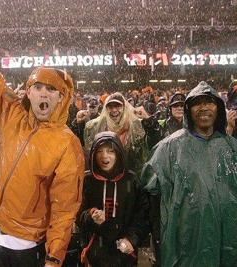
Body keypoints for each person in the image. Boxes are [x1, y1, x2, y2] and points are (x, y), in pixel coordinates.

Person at [0, 18, 85, 267]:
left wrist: (54, 256)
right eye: (38, 87)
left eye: (51, 89)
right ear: (29, 92)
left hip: (25, 246)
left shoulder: (67, 144)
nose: (44, 93)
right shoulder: (13, 114)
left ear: (61, 97)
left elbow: (65, 208)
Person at [141, 81, 237, 267]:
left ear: (218, 107)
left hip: (227, 239)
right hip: (186, 240)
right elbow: (149, 192)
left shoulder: (231, 148)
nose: (203, 108)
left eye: (209, 102)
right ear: (189, 110)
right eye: (197, 103)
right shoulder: (169, 148)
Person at [77, 131, 149, 267]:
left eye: (111, 151)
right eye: (99, 151)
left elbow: (142, 215)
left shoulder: (131, 180)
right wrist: (91, 216)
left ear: (119, 153)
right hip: (94, 254)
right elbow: (77, 212)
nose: (104, 156)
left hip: (124, 253)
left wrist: (131, 239)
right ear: (92, 154)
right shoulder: (87, 181)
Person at [84, 92, 148, 175]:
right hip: (104, 175)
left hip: (128, 177)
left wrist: (148, 120)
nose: (114, 110)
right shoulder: (95, 126)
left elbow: (147, 148)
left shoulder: (135, 126)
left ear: (124, 108)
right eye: (110, 106)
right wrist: (78, 124)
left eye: (118, 106)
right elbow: (87, 150)